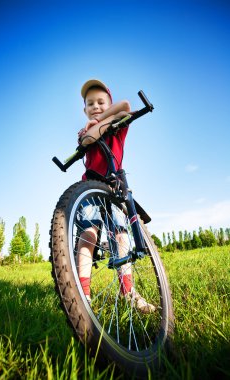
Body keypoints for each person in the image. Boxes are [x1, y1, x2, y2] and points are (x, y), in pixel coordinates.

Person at [76, 79, 156, 314]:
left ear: (108, 104)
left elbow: (125, 105)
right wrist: (94, 126)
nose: (96, 106)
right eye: (90, 104)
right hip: (90, 186)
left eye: (101, 102)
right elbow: (88, 139)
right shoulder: (84, 129)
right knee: (88, 235)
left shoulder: (117, 124)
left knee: (120, 236)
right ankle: (83, 292)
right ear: (84, 110)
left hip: (114, 188)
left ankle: (129, 292)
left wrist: (102, 120)